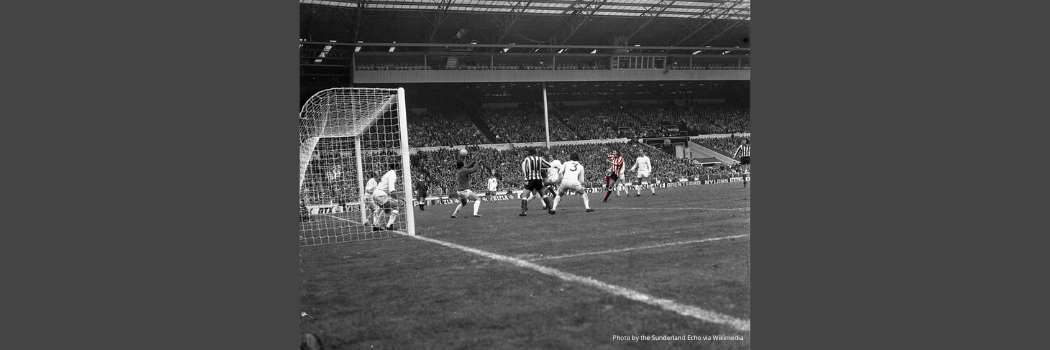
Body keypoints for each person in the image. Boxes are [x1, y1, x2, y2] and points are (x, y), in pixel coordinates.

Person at [519, 148, 551, 216]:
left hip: (531, 179)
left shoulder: (527, 159)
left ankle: (523, 212)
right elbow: (548, 165)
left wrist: (526, 178)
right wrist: (539, 167)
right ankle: (550, 209)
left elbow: (525, 169)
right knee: (543, 194)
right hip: (539, 179)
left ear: (529, 152)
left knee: (524, 195)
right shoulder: (540, 159)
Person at [371, 164, 401, 231]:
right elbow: (391, 190)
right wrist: (398, 199)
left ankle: (376, 226)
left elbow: (387, 190)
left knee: (387, 209)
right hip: (380, 194)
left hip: (376, 194)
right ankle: (389, 225)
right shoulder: (393, 174)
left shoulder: (387, 173)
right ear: (398, 167)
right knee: (398, 206)